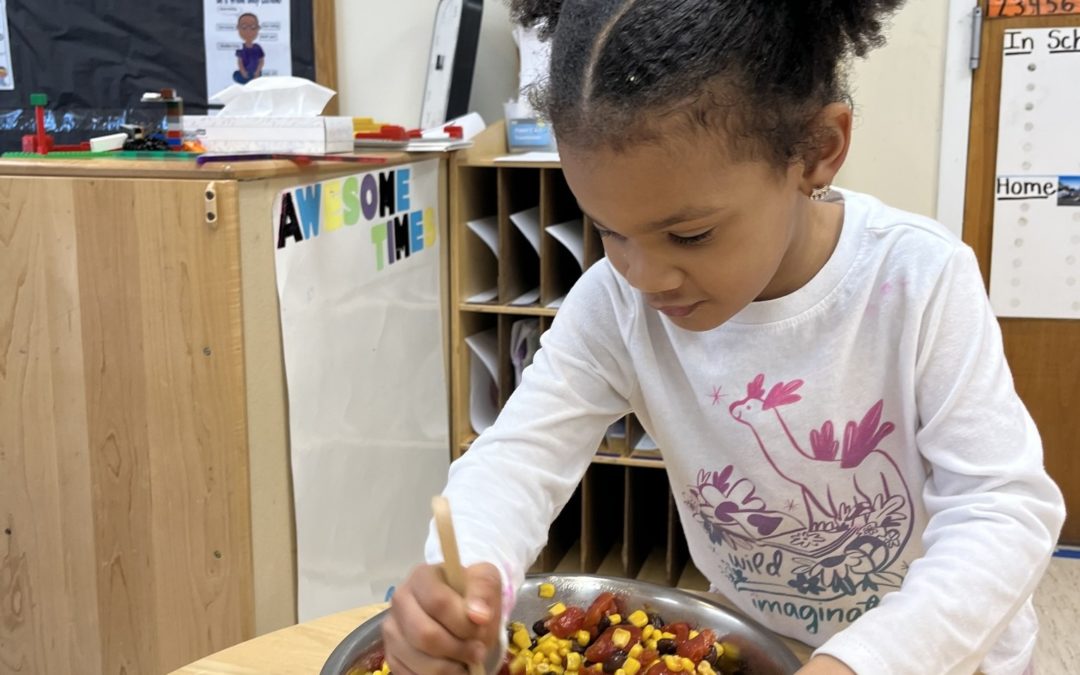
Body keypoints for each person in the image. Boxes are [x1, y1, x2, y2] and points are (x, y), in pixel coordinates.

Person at [382, 1, 1066, 673]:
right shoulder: (615, 306)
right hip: (763, 648)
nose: (644, 275)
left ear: (817, 152)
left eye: (691, 234)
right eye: (609, 229)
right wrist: (464, 571)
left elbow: (1002, 510)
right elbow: (516, 461)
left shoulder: (919, 281)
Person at [233, 12, 265, 85]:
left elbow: (261, 61)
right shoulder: (241, 47)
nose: (248, 31)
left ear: (258, 28)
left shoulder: (257, 47)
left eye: (253, 27)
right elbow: (240, 61)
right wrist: (243, 71)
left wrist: (257, 71)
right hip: (245, 73)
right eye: (244, 27)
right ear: (238, 28)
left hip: (255, 73)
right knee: (236, 76)